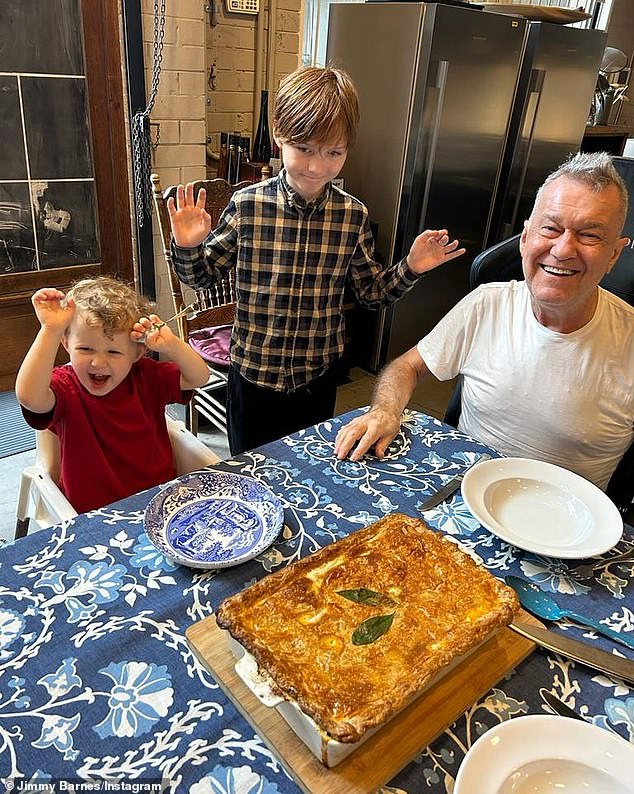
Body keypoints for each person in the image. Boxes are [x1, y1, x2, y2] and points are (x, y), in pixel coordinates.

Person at [168, 65, 465, 455]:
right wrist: (188, 245)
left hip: (318, 380)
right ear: (279, 134)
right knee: (252, 473)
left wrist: (411, 267)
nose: (316, 166)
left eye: (333, 152)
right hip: (252, 379)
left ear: (348, 149)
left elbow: (372, 294)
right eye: (304, 149)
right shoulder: (247, 206)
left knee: (310, 468)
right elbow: (203, 279)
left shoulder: (352, 215)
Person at [335, 151, 633, 491]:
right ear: (524, 239)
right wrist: (385, 410)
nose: (563, 249)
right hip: (465, 501)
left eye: (590, 235)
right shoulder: (487, 303)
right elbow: (408, 367)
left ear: (614, 254)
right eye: (550, 228)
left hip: (568, 532)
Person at [15, 276, 210, 514]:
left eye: (114, 352)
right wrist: (50, 330)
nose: (98, 362)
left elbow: (199, 377)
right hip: (93, 513)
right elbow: (29, 397)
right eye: (85, 349)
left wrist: (171, 345)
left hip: (160, 500)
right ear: (66, 343)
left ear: (138, 352)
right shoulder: (65, 387)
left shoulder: (147, 377)